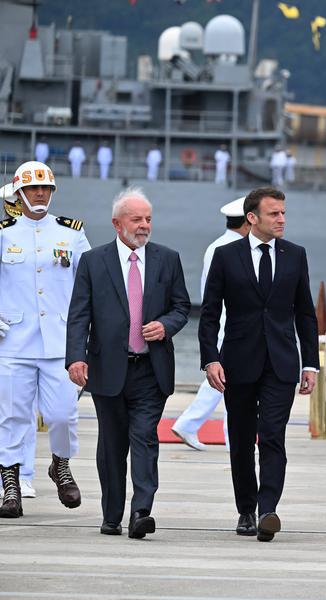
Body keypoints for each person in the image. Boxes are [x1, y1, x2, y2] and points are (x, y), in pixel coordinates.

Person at [66, 187, 190, 538]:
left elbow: (182, 307)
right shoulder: (94, 261)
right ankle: (111, 514)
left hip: (151, 370)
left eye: (148, 219)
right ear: (117, 223)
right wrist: (76, 357)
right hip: (107, 370)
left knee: (145, 439)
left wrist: (165, 326)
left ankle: (141, 512)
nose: (144, 225)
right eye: (137, 219)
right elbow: (79, 315)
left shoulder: (168, 259)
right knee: (111, 445)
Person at [199, 187, 319, 542]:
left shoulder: (296, 255)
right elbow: (208, 315)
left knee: (271, 436)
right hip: (238, 362)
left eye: (283, 213)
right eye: (274, 214)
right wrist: (210, 359)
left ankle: (269, 509)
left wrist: (310, 363)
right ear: (252, 218)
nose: (281, 219)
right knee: (239, 439)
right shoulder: (225, 256)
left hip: (281, 364)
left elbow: (306, 314)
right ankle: (246, 510)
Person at [0, 162, 90, 519]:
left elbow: (89, 286)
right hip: (13, 341)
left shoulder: (71, 234)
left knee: (62, 415)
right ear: (19, 194)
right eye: (33, 189)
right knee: (12, 416)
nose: (40, 194)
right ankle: (10, 485)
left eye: (46, 189)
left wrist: (88, 336)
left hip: (60, 343)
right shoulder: (4, 233)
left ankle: (60, 464)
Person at [171, 197, 251, 451]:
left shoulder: (217, 246)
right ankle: (215, 432)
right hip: (232, 323)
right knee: (230, 380)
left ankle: (201, 428)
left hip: (221, 320)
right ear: (248, 222)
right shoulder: (238, 248)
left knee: (226, 380)